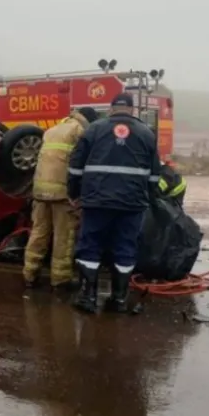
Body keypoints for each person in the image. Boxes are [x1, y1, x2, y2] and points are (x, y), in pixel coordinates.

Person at [68, 93, 160, 313]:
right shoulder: (146, 133)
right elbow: (155, 175)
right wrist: (148, 197)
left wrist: (74, 193)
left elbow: (75, 167)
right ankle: (118, 299)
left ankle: (88, 298)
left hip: (97, 201)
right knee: (125, 248)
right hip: (131, 204)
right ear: (132, 110)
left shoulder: (94, 129)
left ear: (110, 109)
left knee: (90, 245)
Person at [23, 107, 99, 293]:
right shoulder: (80, 132)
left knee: (39, 232)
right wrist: (78, 194)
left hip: (40, 191)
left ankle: (29, 275)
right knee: (63, 236)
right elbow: (81, 165)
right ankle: (60, 280)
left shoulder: (52, 130)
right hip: (62, 193)